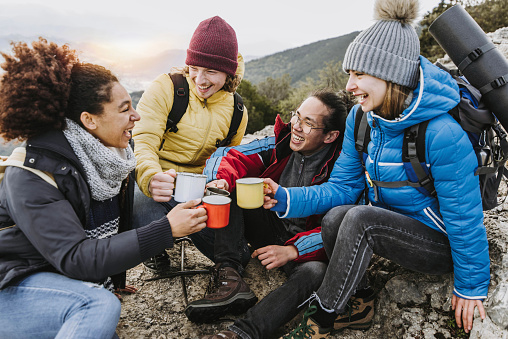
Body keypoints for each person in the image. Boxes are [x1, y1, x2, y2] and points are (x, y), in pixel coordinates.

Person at [262, 0, 489, 337]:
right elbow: (341, 187)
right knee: (337, 215)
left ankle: (320, 320)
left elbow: (464, 218)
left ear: (391, 75)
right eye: (349, 74)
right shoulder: (362, 118)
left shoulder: (442, 133)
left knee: (359, 218)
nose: (350, 85)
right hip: (391, 227)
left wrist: (471, 287)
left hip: (439, 243)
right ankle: (360, 300)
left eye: (359, 74)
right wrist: (285, 198)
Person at [0, 38, 207, 338]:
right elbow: (76, 257)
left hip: (52, 279)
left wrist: (113, 279)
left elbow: (108, 227)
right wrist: (166, 229)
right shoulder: (33, 174)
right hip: (11, 286)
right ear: (89, 120)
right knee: (98, 306)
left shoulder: (112, 159)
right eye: (124, 110)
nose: (136, 117)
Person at [189, 90, 352, 339]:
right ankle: (230, 275)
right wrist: (218, 181)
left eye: (308, 124)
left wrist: (294, 250)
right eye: (297, 116)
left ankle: (242, 333)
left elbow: (341, 228)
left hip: (305, 249)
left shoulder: (342, 167)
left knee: (316, 273)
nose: (296, 127)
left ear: (330, 135)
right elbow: (228, 155)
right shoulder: (282, 142)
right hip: (271, 228)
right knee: (232, 184)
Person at [132, 16, 248, 273]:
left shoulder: (237, 110)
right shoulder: (166, 88)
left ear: (228, 73)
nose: (200, 79)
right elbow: (143, 141)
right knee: (141, 204)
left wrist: (218, 183)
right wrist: (150, 177)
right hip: (159, 179)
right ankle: (156, 245)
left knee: (240, 257)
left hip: (201, 189)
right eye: (194, 67)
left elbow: (230, 158)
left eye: (211, 71)